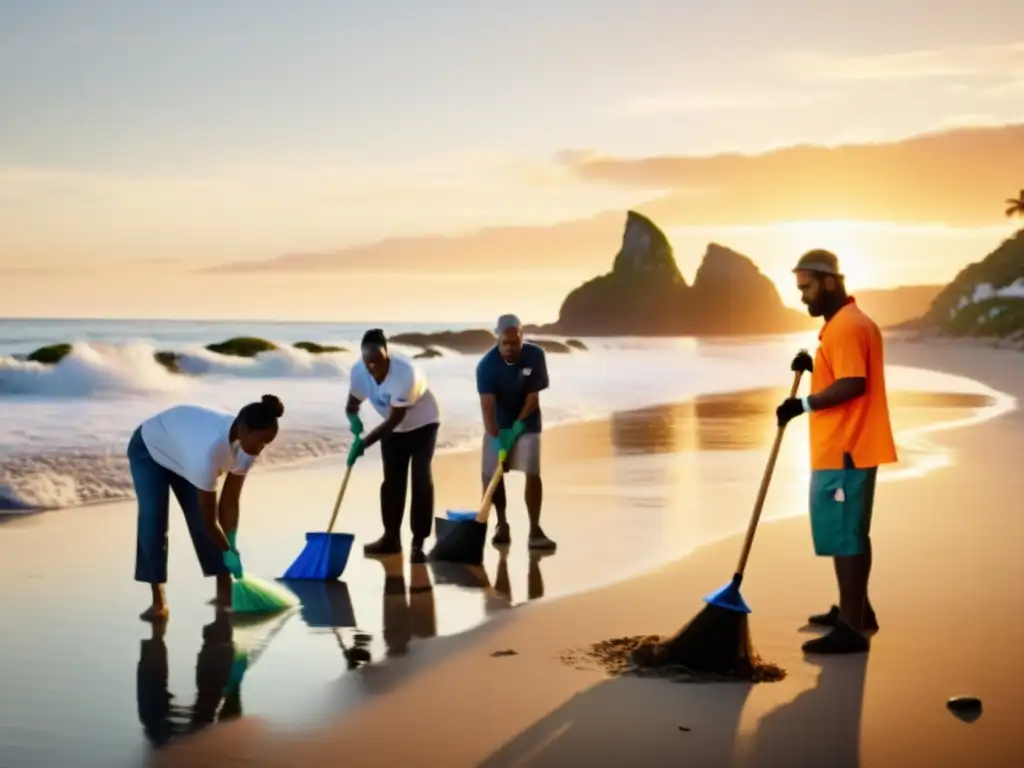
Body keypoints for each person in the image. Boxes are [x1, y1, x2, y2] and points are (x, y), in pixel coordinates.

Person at [776, 249, 897, 654]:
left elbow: (852, 384)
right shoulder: (845, 324)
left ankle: (851, 626)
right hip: (846, 447)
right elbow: (841, 374)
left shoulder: (846, 326)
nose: (803, 296)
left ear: (829, 282)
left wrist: (802, 405)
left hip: (846, 448)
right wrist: (814, 366)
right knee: (847, 530)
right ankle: (857, 610)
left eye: (807, 287)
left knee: (846, 534)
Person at [129, 395, 284, 622]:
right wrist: (227, 553)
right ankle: (158, 599)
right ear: (243, 429)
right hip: (150, 448)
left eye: (267, 443)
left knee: (204, 522)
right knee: (154, 520)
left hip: (183, 447)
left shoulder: (247, 449)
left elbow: (230, 503)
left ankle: (224, 592)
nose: (261, 449)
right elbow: (210, 521)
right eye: (260, 441)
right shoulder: (207, 455)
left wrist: (232, 543)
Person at [345, 329, 441, 561]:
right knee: (392, 483)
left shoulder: (405, 373)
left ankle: (418, 543)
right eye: (368, 362)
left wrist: (364, 444)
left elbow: (396, 418)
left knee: (420, 478)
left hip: (423, 424)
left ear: (386, 354)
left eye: (378, 362)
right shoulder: (359, 371)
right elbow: (352, 404)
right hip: (393, 430)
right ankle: (391, 538)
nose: (373, 368)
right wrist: (354, 420)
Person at [475, 314, 556, 550]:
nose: (510, 348)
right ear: (497, 339)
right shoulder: (486, 366)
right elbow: (487, 408)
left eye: (515, 343)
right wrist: (498, 438)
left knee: (532, 469)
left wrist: (518, 427)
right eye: (505, 343)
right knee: (492, 472)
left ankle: (535, 529)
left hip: (527, 421)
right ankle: (502, 524)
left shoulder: (535, 356)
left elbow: (532, 399)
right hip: (498, 423)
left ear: (522, 337)